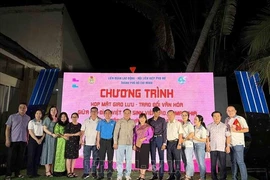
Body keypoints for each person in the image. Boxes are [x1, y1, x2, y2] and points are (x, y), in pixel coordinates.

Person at [5, 103, 31, 180]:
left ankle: (17, 173)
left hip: (23, 141)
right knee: (10, 158)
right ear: (18, 108)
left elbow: (28, 130)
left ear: (26, 109)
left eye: (24, 108)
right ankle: (8, 174)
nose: (22, 109)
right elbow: (7, 129)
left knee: (20, 158)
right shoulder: (12, 117)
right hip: (13, 140)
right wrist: (7, 139)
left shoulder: (28, 118)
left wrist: (27, 139)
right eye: (21, 107)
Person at [225, 106, 249, 180]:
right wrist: (227, 145)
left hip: (238, 143)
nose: (230, 112)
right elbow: (227, 132)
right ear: (226, 112)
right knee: (233, 162)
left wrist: (236, 130)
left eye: (232, 110)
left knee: (240, 162)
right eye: (229, 110)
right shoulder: (226, 119)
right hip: (230, 143)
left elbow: (247, 129)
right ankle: (234, 178)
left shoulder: (240, 118)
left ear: (235, 111)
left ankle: (244, 178)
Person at [206, 111, 231, 180]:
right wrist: (207, 146)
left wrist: (228, 146)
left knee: (223, 164)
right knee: (213, 165)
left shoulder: (225, 126)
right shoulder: (209, 126)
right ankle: (214, 178)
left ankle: (223, 178)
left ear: (221, 117)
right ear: (212, 117)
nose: (216, 117)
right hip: (213, 148)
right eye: (215, 116)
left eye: (218, 116)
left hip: (222, 147)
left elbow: (228, 136)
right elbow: (207, 137)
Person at [114, 109, 136, 180]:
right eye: (125, 113)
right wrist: (115, 142)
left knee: (129, 160)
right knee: (119, 160)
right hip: (120, 143)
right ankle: (119, 175)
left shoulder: (133, 122)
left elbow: (135, 134)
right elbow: (116, 132)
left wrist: (134, 144)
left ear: (130, 114)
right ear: (123, 113)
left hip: (129, 143)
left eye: (128, 113)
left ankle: (127, 175)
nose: (127, 114)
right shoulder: (119, 121)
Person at [81, 107, 100, 179]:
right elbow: (82, 131)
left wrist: (99, 141)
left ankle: (94, 172)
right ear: (90, 112)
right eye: (92, 111)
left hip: (96, 143)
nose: (94, 112)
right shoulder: (86, 121)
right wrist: (81, 139)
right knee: (86, 158)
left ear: (97, 112)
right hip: (87, 143)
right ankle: (86, 172)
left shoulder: (100, 121)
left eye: (95, 111)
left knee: (96, 158)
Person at [96, 109, 116, 180]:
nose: (107, 114)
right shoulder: (100, 122)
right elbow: (98, 133)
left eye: (109, 113)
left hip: (111, 141)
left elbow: (115, 134)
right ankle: (101, 174)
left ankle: (109, 175)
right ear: (104, 115)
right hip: (102, 141)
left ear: (111, 114)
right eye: (106, 113)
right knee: (101, 158)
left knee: (110, 158)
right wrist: (98, 142)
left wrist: (115, 142)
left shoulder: (114, 122)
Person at [133, 113, 154, 180]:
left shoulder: (148, 127)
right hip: (138, 144)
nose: (142, 119)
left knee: (144, 160)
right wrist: (134, 144)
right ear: (139, 119)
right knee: (139, 159)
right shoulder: (136, 127)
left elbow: (150, 135)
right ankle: (140, 175)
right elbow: (134, 136)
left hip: (145, 144)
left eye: (143, 118)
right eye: (140, 118)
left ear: (145, 119)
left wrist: (144, 139)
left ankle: (143, 175)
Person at [148, 106, 167, 180]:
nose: (158, 113)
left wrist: (164, 143)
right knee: (153, 157)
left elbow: (164, 131)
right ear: (153, 112)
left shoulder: (162, 120)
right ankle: (154, 174)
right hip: (152, 139)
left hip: (160, 138)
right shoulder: (149, 120)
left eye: (159, 112)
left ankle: (161, 174)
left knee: (161, 157)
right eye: (156, 112)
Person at [40, 106, 58, 177]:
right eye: (52, 110)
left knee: (53, 154)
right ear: (49, 111)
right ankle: (47, 171)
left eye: (55, 110)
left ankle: (51, 170)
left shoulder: (57, 119)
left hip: (56, 139)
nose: (53, 111)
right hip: (49, 138)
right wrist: (52, 134)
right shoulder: (47, 119)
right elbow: (44, 129)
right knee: (47, 153)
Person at [27, 109, 45, 178]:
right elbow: (30, 132)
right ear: (35, 114)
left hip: (40, 139)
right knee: (31, 156)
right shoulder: (31, 122)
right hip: (33, 139)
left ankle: (35, 172)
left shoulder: (42, 122)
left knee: (37, 156)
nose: (38, 115)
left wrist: (41, 139)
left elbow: (44, 132)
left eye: (40, 113)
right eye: (37, 113)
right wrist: (36, 139)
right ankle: (30, 172)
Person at [166, 110, 183, 180]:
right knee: (169, 160)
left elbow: (180, 134)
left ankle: (178, 175)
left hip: (176, 142)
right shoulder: (167, 124)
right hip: (168, 143)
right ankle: (171, 175)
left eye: (171, 114)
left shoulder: (178, 123)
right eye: (168, 115)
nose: (169, 116)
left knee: (177, 159)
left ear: (174, 115)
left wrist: (179, 143)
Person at [64, 112, 82, 178]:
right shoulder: (69, 125)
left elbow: (81, 133)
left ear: (77, 118)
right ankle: (68, 172)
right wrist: (74, 134)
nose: (74, 118)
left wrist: (81, 140)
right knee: (68, 158)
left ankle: (72, 171)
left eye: (75, 117)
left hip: (76, 143)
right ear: (71, 118)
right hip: (69, 143)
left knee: (74, 158)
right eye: (73, 117)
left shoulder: (79, 125)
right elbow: (65, 134)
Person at [181, 111, 195, 180]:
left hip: (188, 144)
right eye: (183, 115)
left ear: (188, 116)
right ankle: (188, 173)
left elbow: (192, 134)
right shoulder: (181, 124)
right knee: (185, 160)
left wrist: (185, 139)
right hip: (183, 144)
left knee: (189, 160)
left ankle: (189, 175)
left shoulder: (189, 124)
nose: (184, 116)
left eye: (185, 115)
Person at [193, 115, 207, 180]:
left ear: (200, 121)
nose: (194, 120)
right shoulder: (194, 127)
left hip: (200, 145)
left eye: (196, 119)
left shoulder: (202, 129)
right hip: (194, 145)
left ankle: (203, 177)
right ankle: (202, 176)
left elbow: (204, 140)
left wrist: (196, 138)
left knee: (201, 163)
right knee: (199, 162)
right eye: (194, 119)